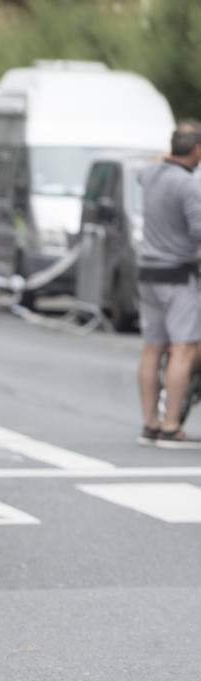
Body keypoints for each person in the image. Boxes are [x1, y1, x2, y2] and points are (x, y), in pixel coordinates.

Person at [136, 128, 201, 448]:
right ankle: (171, 423)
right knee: (184, 348)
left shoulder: (149, 175)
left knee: (152, 348)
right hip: (178, 274)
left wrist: (168, 156)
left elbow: (146, 166)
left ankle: (150, 422)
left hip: (148, 272)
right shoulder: (187, 184)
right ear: (197, 150)